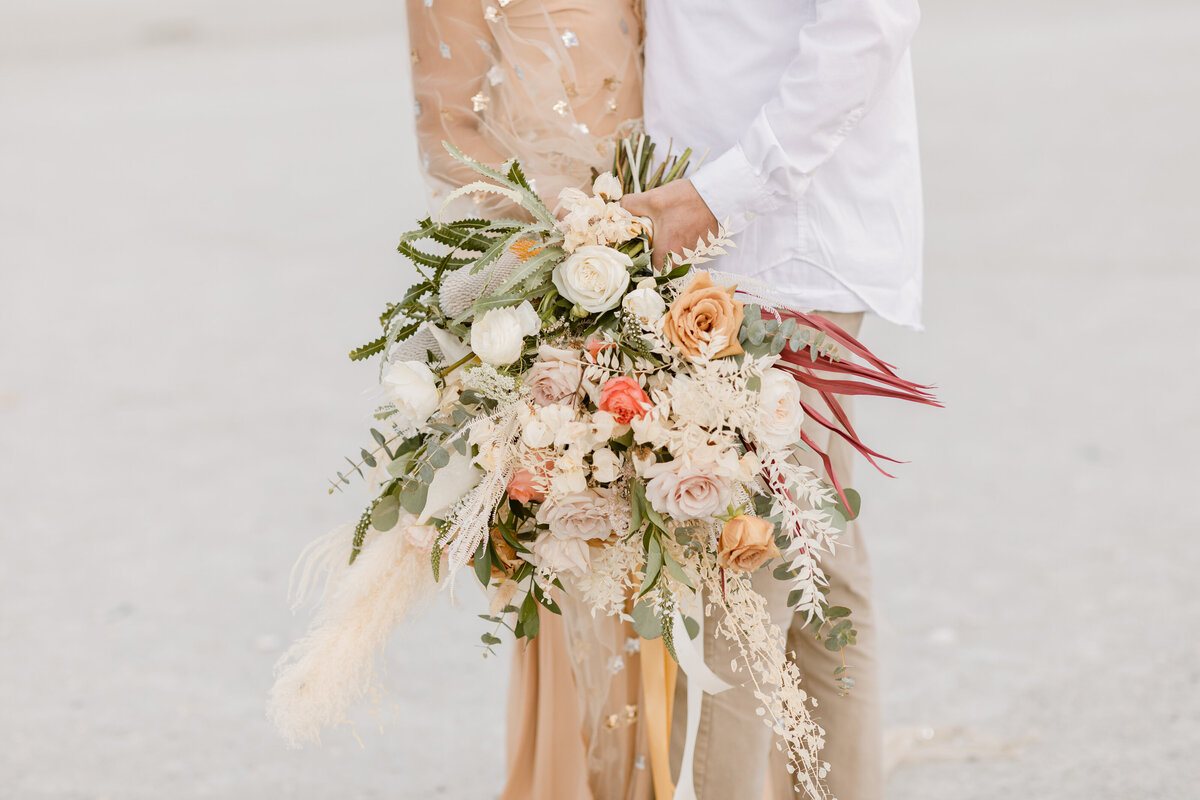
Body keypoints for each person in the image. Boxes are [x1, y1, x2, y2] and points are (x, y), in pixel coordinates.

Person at [622, 1, 924, 798]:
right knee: (817, 564)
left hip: (775, 236)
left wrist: (722, 191)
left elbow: (870, 21)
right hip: (722, 229)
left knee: (742, 566)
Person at [404, 2, 653, 799]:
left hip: (667, 239)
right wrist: (551, 252)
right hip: (550, 272)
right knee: (572, 542)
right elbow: (449, 127)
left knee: (663, 537)